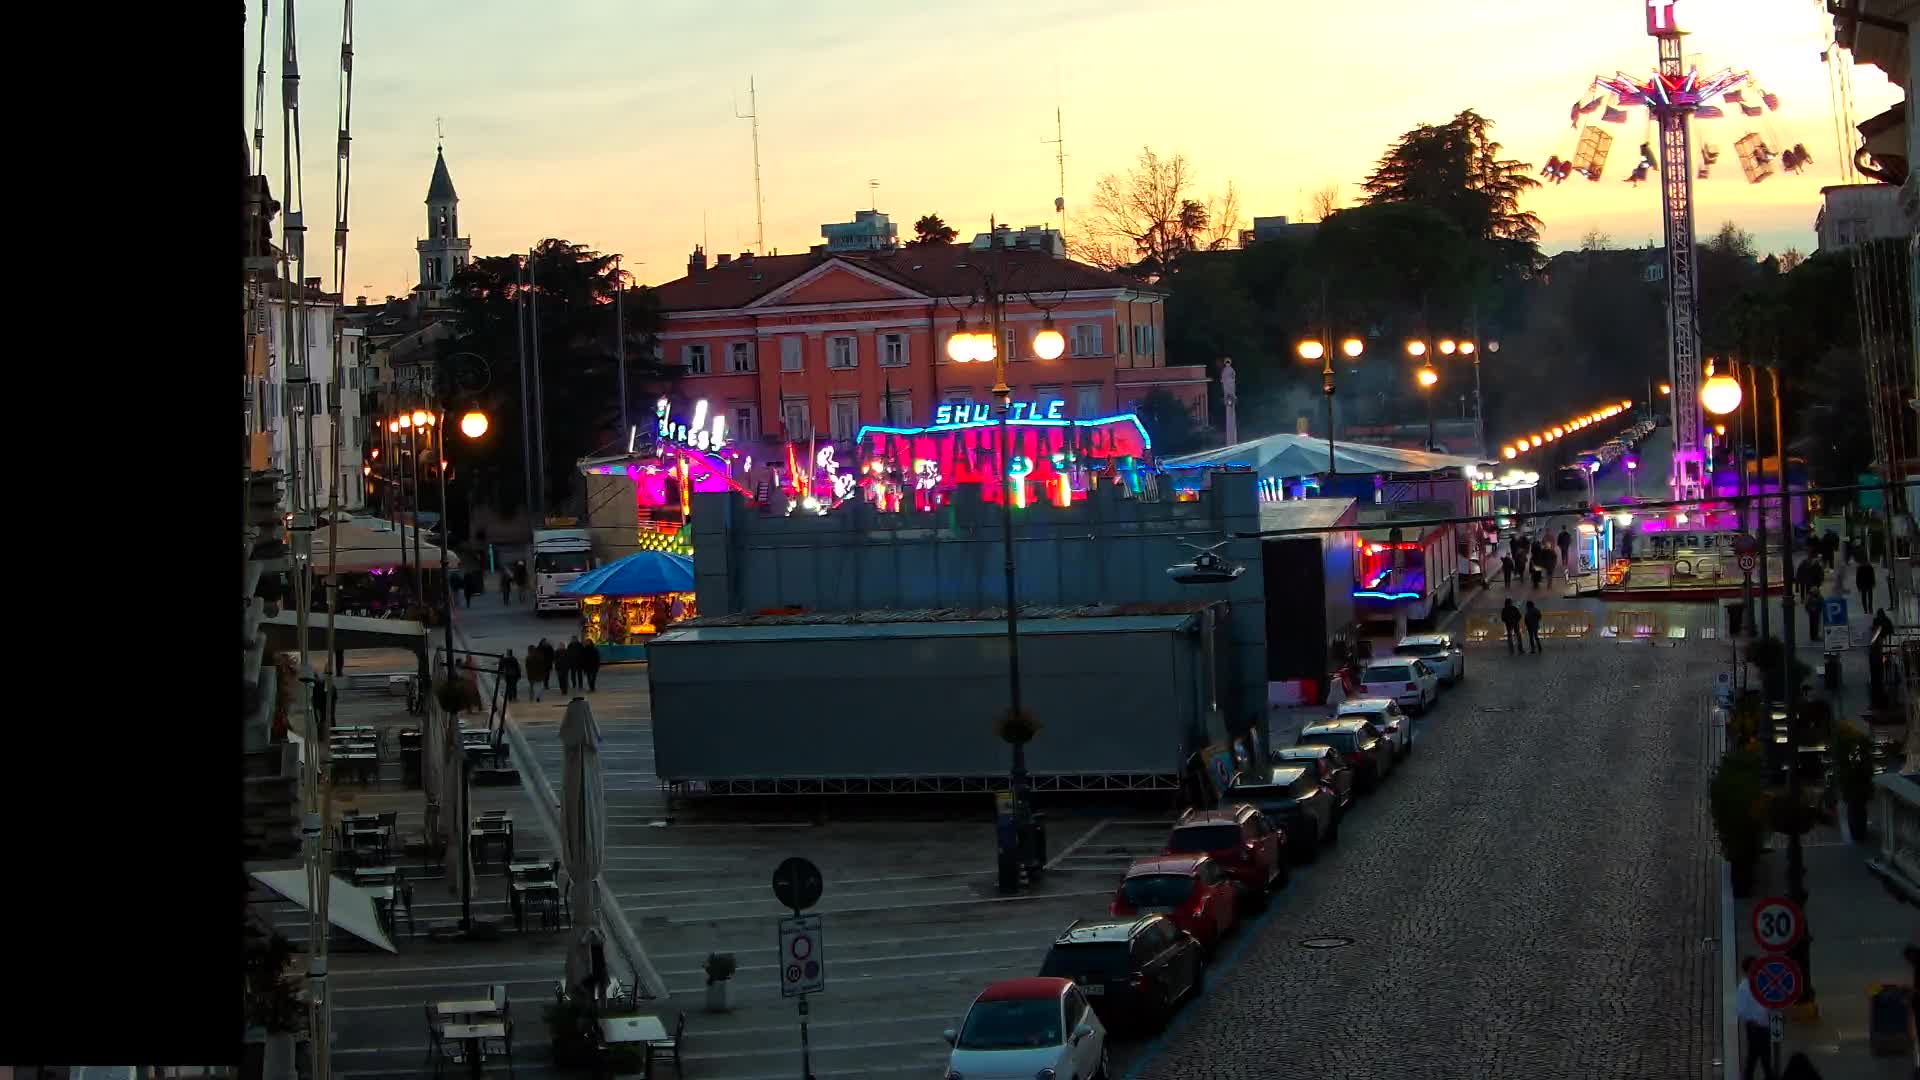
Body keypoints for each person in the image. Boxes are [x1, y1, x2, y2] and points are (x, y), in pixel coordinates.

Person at [1737, 955, 1777, 1080]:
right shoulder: (1744, 987)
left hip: (1764, 1024)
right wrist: (1752, 1021)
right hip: (1755, 1027)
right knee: (1759, 1056)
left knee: (1758, 1056)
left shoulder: (1762, 981)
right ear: (1748, 970)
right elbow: (1741, 1009)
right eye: (1754, 966)